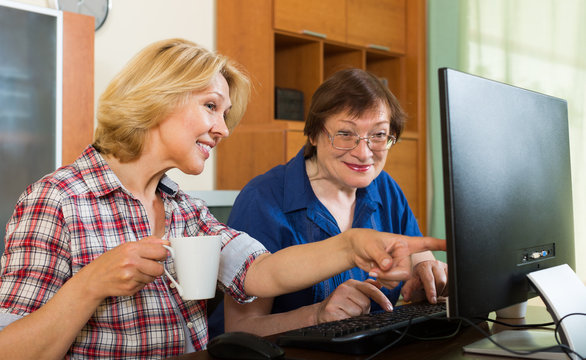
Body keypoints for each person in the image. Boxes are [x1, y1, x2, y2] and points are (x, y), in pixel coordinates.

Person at [0, 39, 444, 359]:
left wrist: (350, 245)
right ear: (157, 98)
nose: (224, 128)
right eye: (211, 106)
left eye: (225, 113)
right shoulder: (57, 200)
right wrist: (90, 285)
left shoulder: (184, 209)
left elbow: (262, 274)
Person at [211, 68, 448, 338]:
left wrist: (425, 269)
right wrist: (316, 315)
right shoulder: (263, 199)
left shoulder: (385, 187)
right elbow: (240, 330)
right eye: (345, 134)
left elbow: (418, 252)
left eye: (379, 135)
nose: (363, 153)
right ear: (314, 134)